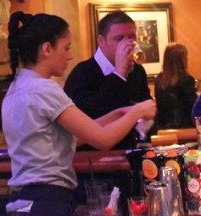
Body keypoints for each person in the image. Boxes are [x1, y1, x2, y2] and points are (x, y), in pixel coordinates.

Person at [2, 12, 156, 216]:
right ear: (47, 49)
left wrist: (118, 114)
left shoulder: (17, 88)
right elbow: (103, 140)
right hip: (48, 202)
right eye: (66, 48)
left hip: (22, 200)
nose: (70, 55)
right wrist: (137, 112)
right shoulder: (45, 89)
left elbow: (76, 135)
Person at [64, 11, 152, 149]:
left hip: (130, 151)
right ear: (101, 41)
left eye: (131, 37)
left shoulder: (137, 70)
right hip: (93, 156)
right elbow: (86, 118)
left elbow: (146, 109)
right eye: (119, 38)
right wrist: (119, 75)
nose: (127, 44)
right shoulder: (82, 72)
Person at [154, 43, 197, 130]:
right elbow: (193, 107)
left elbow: (159, 108)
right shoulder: (186, 80)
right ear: (182, 60)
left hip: (163, 128)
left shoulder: (158, 80)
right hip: (185, 128)